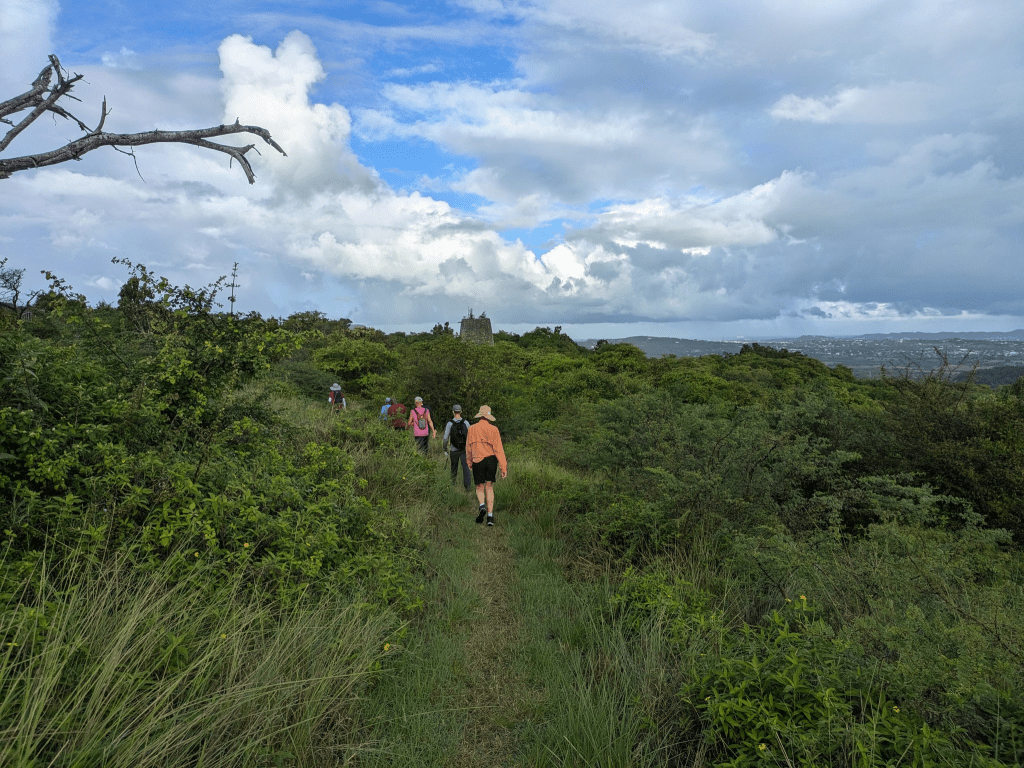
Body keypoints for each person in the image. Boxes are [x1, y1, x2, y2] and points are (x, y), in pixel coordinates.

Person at [465, 404, 507, 526]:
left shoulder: (472, 429)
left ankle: (482, 505)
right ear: (488, 417)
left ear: (480, 416)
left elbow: (468, 447)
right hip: (491, 460)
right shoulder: (494, 429)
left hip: (477, 459)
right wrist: (503, 467)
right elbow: (499, 449)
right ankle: (490, 517)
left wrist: (469, 461)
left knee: (479, 486)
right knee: (489, 487)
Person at [442, 404, 471, 490]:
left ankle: (452, 486)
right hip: (464, 449)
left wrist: (445, 448)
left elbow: (445, 438)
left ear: (453, 412)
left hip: (453, 449)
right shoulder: (466, 422)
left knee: (454, 468)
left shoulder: (450, 423)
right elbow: (470, 436)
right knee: (466, 468)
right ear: (461, 411)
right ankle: (467, 487)